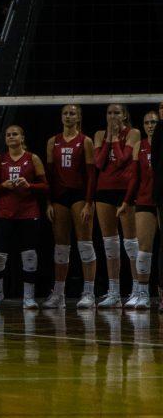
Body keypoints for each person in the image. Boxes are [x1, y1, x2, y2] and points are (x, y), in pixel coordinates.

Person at [0, 125, 47, 309]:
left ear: (22, 137)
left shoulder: (32, 158)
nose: (11, 137)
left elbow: (45, 186)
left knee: (29, 255)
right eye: (8, 135)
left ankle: (28, 296)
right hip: (5, 213)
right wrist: (4, 185)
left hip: (28, 212)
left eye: (15, 134)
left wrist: (29, 185)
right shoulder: (0, 159)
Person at [44, 103, 97, 309]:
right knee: (61, 248)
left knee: (85, 244)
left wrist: (88, 202)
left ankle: (89, 293)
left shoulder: (86, 141)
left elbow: (91, 175)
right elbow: (48, 175)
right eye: (65, 113)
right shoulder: (52, 141)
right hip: (59, 198)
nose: (68, 116)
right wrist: (48, 201)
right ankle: (58, 294)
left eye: (72, 113)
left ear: (79, 117)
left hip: (79, 197)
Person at [93, 104, 140, 308]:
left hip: (125, 192)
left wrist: (114, 139)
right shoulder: (99, 134)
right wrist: (108, 138)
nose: (113, 116)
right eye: (110, 113)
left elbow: (122, 160)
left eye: (117, 113)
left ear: (124, 115)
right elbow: (99, 163)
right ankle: (114, 292)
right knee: (110, 243)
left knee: (131, 243)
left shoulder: (134, 133)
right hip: (104, 191)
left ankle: (138, 290)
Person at [122, 109, 156, 309]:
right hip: (144, 200)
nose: (150, 126)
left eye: (154, 122)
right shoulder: (139, 146)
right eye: (147, 123)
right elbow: (134, 176)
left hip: (160, 200)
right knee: (143, 250)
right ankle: (143, 294)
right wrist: (127, 201)